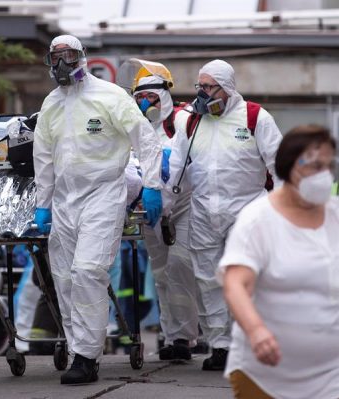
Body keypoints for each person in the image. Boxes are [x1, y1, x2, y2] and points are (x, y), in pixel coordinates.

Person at [33, 35, 163, 384]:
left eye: (69, 55)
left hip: (103, 194)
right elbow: (43, 158)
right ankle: (78, 350)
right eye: (56, 56)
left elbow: (146, 139)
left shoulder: (110, 96)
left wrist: (151, 185)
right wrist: (41, 204)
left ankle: (88, 357)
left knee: (89, 271)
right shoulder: (51, 104)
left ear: (83, 58)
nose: (62, 63)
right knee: (64, 278)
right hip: (63, 200)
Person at [167, 59, 283, 371]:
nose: (202, 94)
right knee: (208, 281)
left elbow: (278, 165)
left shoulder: (255, 117)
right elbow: (177, 168)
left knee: (245, 281)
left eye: (208, 87)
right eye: (199, 87)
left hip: (248, 212)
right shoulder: (192, 123)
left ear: (227, 88)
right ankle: (221, 346)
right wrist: (162, 202)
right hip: (204, 212)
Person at [218, 125, 338, 398]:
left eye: (328, 166)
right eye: (314, 165)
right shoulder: (257, 220)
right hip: (266, 376)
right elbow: (235, 285)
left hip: (331, 374)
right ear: (288, 165)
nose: (323, 175)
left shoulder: (336, 215)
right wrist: (257, 331)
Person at [133, 72, 199, 361]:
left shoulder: (184, 121)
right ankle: (174, 338)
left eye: (150, 96)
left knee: (181, 268)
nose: (145, 103)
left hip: (184, 207)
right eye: (138, 98)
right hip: (153, 212)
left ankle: (189, 336)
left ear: (164, 95)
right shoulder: (138, 128)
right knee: (161, 276)